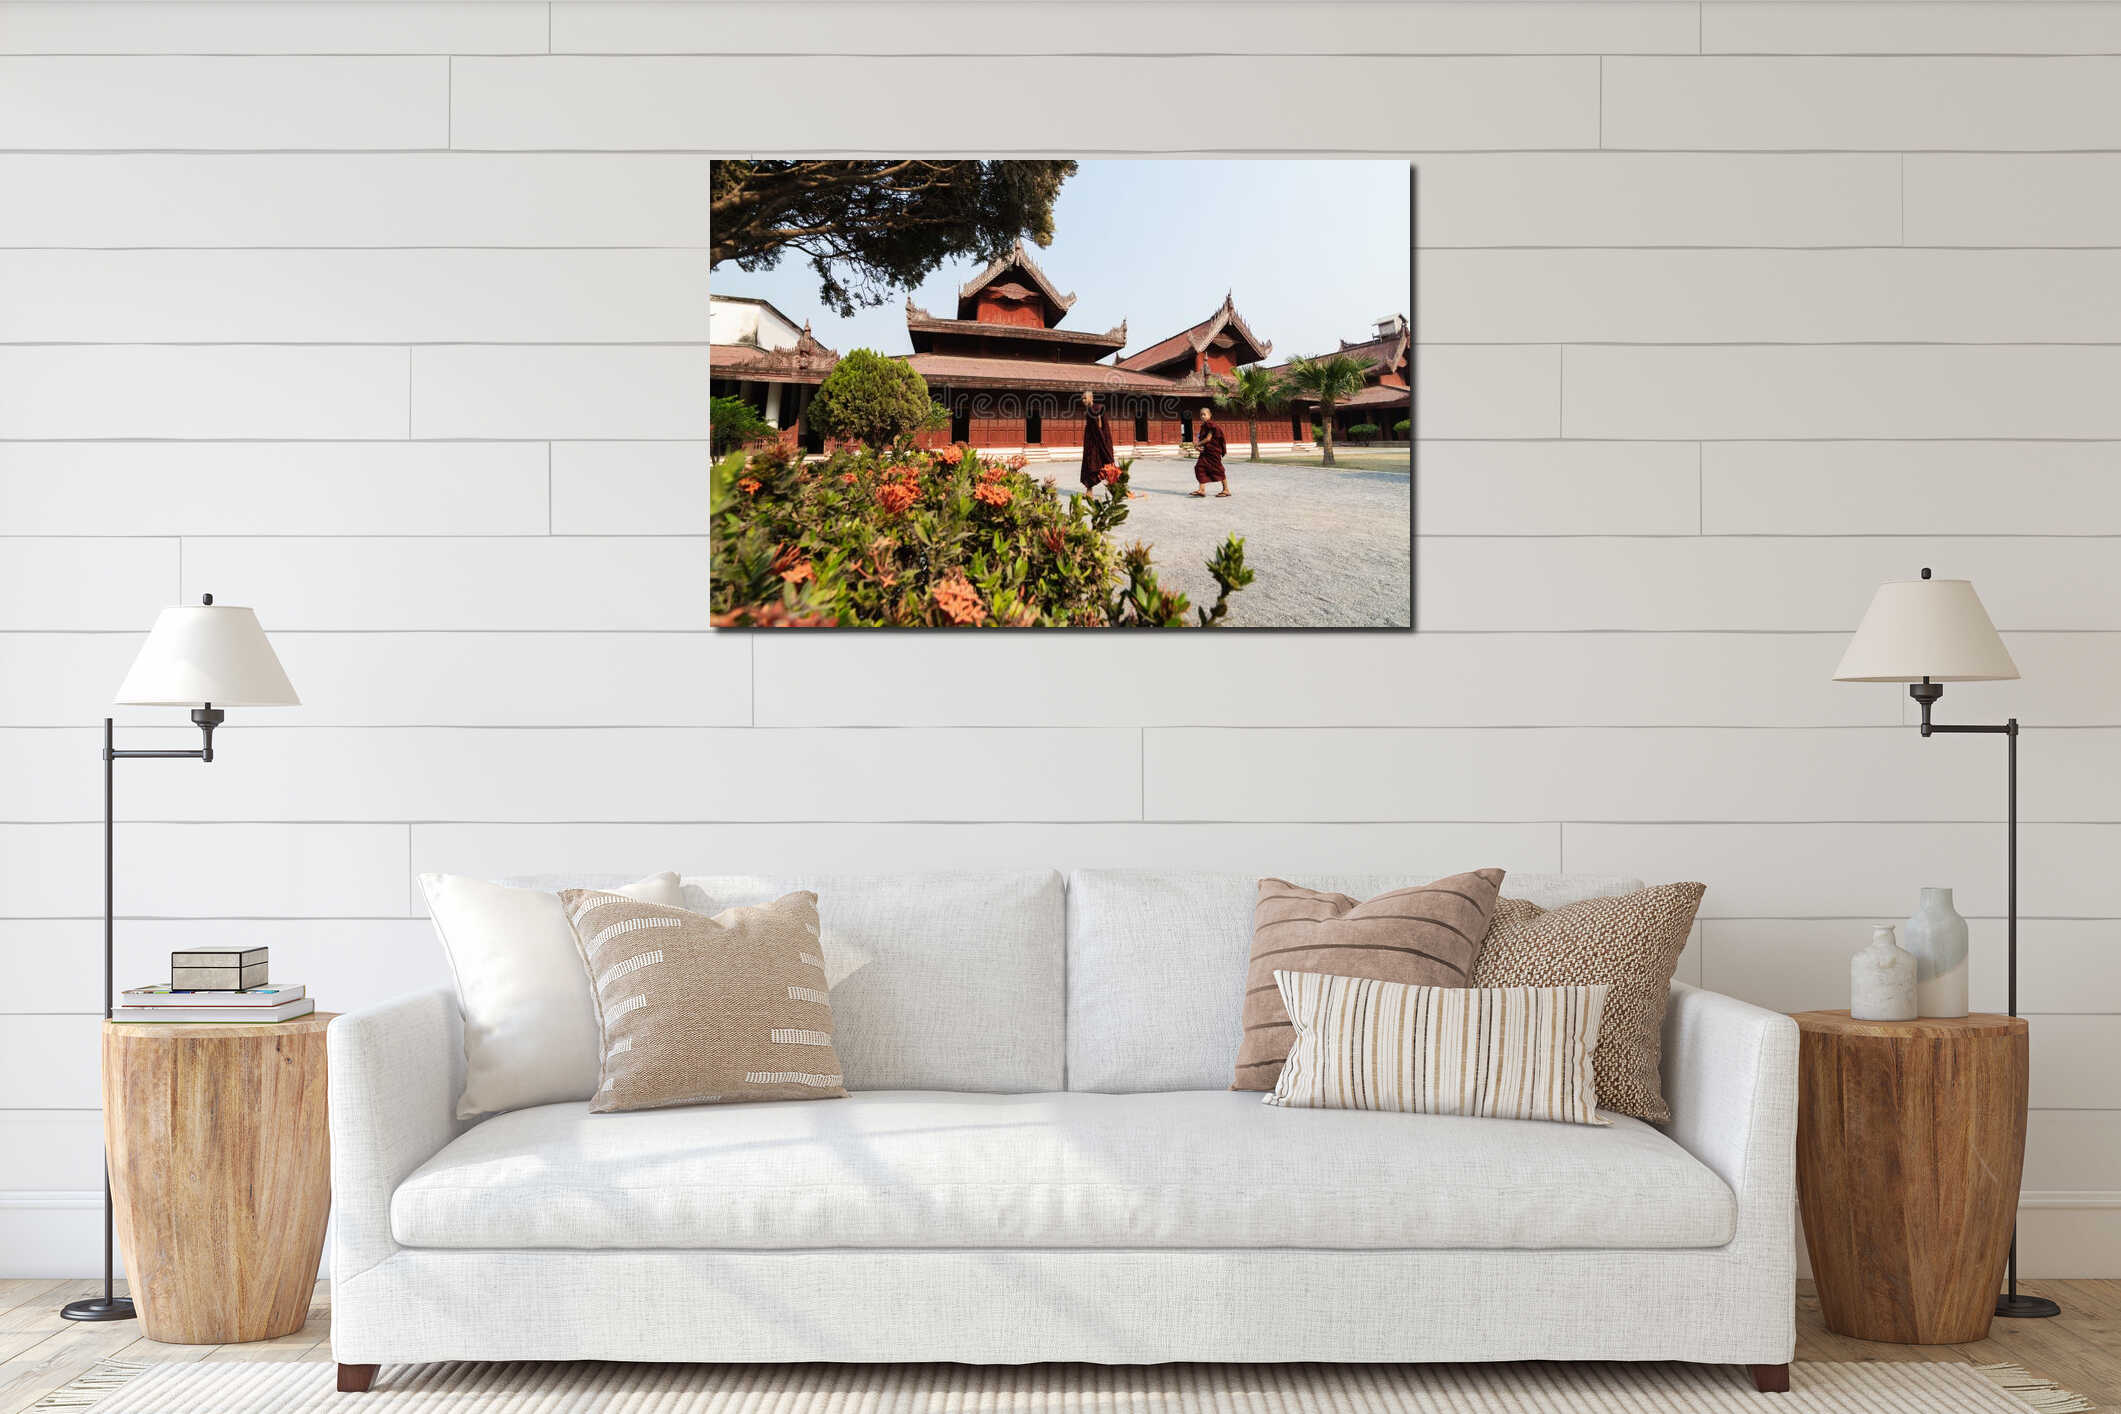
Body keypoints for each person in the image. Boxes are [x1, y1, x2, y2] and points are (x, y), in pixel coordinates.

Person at [1078, 391, 1115, 498]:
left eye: (1085, 398)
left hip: (1097, 440)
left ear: (1091, 398)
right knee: (1090, 465)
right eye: (1082, 398)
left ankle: (1115, 488)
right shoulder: (1089, 410)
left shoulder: (1096, 408)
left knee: (1103, 463)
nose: (1083, 400)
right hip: (1090, 441)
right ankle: (1089, 492)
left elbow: (1100, 424)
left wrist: (1102, 442)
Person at [1189, 405, 1229, 498]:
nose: (1202, 416)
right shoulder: (1204, 426)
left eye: (1204, 414)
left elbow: (1208, 439)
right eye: (1201, 415)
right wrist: (1199, 447)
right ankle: (1202, 490)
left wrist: (1197, 444)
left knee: (1218, 470)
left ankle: (1226, 489)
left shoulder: (1211, 425)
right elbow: (1204, 440)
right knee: (1200, 467)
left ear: (1210, 415)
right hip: (1206, 452)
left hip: (1213, 452)